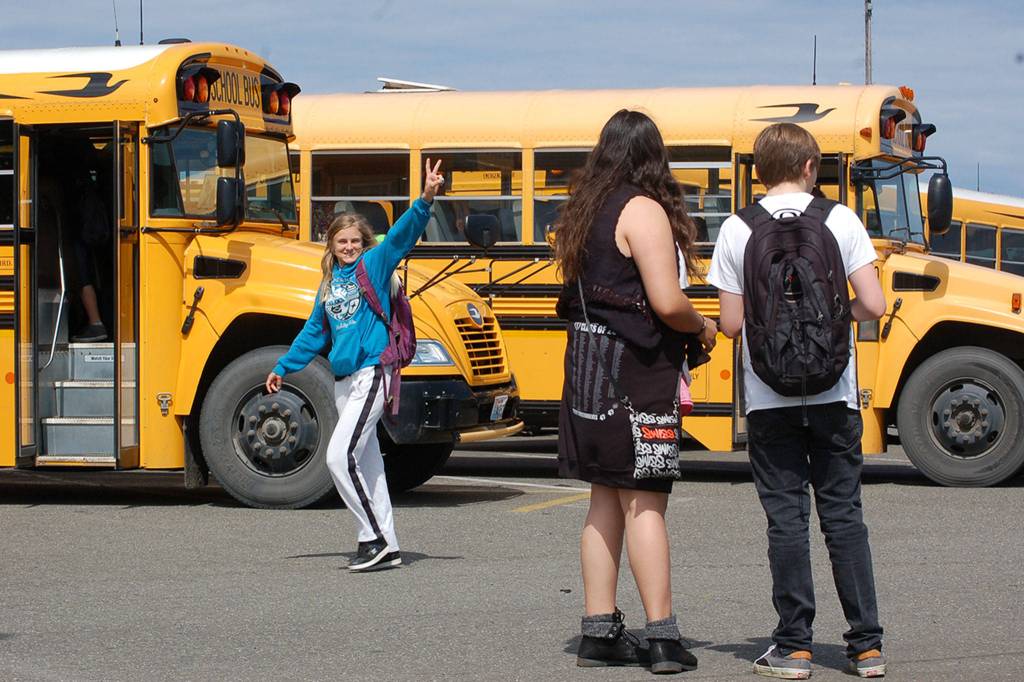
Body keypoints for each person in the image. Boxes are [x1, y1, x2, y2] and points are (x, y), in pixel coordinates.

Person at [707, 123, 887, 679]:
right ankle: (866, 647)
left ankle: (795, 647)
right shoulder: (840, 220)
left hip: (768, 398)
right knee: (844, 515)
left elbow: (734, 326)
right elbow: (874, 305)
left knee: (787, 519)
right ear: (811, 167)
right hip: (834, 392)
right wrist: (835, 321)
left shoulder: (738, 228)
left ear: (758, 171)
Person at [555, 109, 717, 674]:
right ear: (653, 156)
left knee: (603, 500)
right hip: (635, 376)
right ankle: (662, 638)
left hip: (586, 371)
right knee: (646, 502)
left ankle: (598, 631)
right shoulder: (641, 209)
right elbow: (667, 301)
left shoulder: (584, 209)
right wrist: (703, 328)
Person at [266, 159, 445, 572]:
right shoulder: (330, 285)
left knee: (337, 457)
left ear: (364, 244)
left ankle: (373, 538)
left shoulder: (373, 266)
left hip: (372, 374)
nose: (348, 247)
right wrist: (283, 366)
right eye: (341, 242)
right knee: (369, 466)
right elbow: (314, 332)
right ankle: (390, 546)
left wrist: (424, 199)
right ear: (330, 245)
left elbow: (400, 238)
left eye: (354, 241)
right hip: (343, 381)